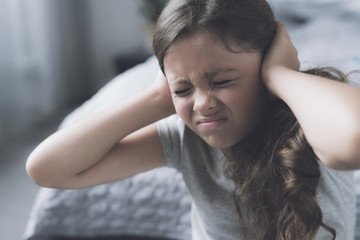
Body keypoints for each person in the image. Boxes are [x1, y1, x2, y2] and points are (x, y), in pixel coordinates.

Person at [26, 0, 360, 239]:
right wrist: (158, 99)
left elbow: (353, 141)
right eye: (184, 88)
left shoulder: (314, 120)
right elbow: (47, 168)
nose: (202, 104)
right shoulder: (185, 140)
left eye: (222, 81)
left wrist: (279, 74)